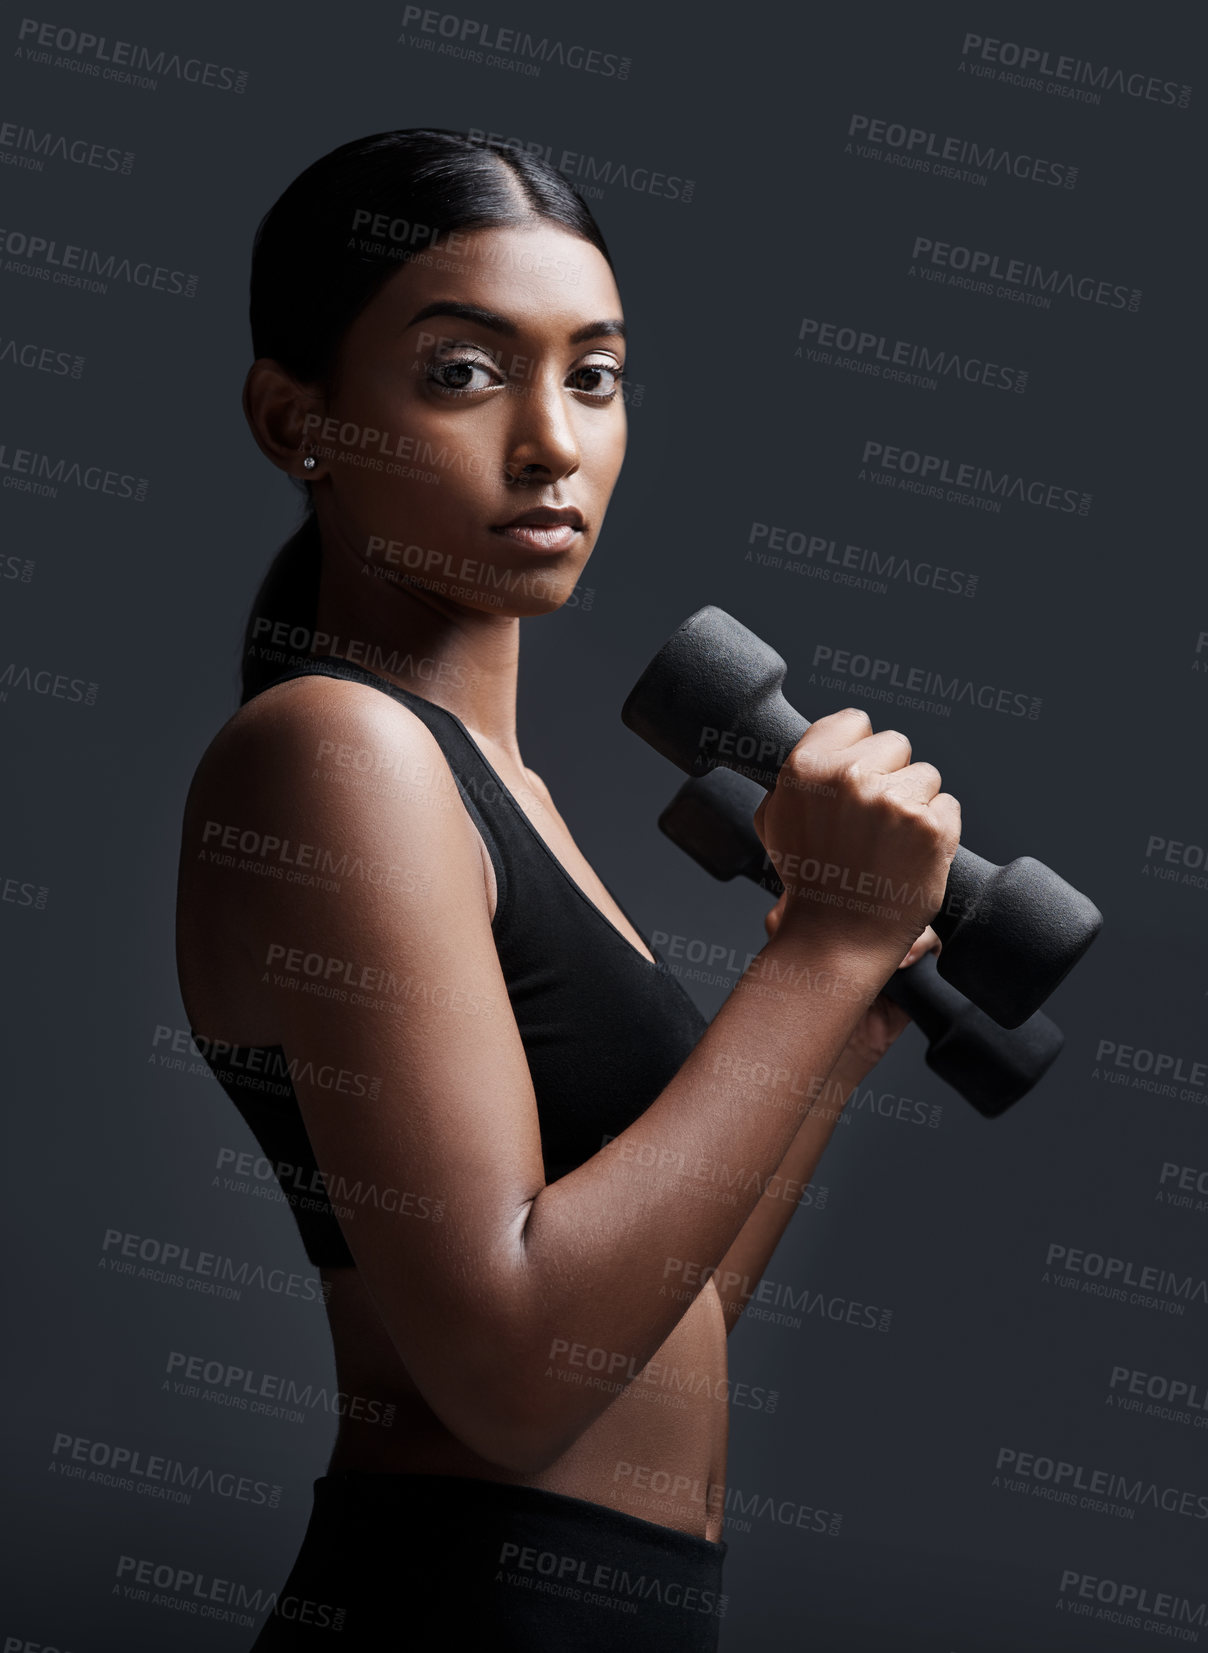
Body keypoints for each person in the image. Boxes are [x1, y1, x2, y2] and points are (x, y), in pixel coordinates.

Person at [174, 127, 958, 1649]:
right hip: (467, 1601)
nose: (551, 441)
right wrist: (821, 960)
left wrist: (827, 999)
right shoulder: (338, 753)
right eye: (465, 373)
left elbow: (676, 1311)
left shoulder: (501, 795)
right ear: (296, 417)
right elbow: (515, 1377)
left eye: (592, 377)